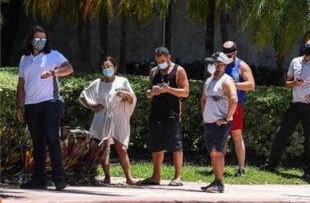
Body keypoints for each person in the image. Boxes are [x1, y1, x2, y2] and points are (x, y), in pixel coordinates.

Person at [264, 38, 310, 182]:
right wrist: (295, 83)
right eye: (306, 45)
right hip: (295, 104)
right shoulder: (295, 61)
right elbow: (287, 83)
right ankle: (270, 165)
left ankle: (309, 172)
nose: (307, 47)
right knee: (281, 133)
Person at [16, 25, 74, 190]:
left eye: (43, 39)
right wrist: (19, 107)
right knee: (37, 143)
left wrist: (54, 73)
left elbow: (69, 68)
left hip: (50, 103)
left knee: (52, 139)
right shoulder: (24, 59)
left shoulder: (53, 55)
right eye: (37, 39)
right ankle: (39, 179)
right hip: (31, 106)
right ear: (31, 39)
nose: (40, 42)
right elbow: (21, 85)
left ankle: (59, 179)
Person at [79, 56, 136, 185]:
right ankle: (107, 176)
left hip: (118, 116)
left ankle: (129, 177)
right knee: (104, 148)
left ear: (115, 68)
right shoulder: (98, 83)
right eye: (104, 67)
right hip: (103, 116)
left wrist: (125, 95)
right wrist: (92, 106)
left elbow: (132, 99)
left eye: (109, 67)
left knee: (121, 148)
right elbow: (83, 95)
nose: (107, 69)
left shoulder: (123, 81)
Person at [139, 47, 189, 186]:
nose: (161, 62)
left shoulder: (178, 70)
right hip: (156, 113)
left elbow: (185, 92)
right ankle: (156, 176)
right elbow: (147, 92)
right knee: (156, 145)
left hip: (172, 113)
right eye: (158, 60)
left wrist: (168, 89)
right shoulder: (154, 71)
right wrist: (152, 92)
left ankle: (178, 176)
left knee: (175, 145)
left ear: (169, 57)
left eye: (163, 60)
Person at [200, 52, 238, 193]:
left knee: (217, 152)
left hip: (220, 123)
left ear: (223, 65)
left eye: (217, 63)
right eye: (212, 63)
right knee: (213, 153)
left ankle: (220, 183)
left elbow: (234, 100)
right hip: (209, 122)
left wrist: (227, 118)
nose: (214, 66)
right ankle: (216, 181)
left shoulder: (227, 81)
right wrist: (204, 116)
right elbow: (204, 98)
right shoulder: (209, 80)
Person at [222, 41, 255, 176]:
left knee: (236, 136)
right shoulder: (219, 63)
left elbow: (251, 85)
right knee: (221, 137)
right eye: (225, 54)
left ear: (235, 53)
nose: (227, 57)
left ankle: (241, 168)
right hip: (220, 105)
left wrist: (233, 85)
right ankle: (219, 166)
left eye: (230, 54)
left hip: (236, 106)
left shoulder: (241, 65)